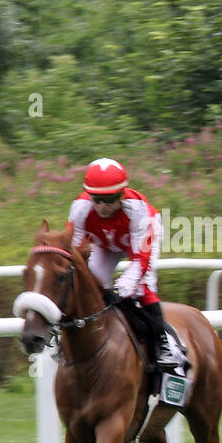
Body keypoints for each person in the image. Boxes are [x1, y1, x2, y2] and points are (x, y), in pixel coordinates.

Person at [66, 157, 175, 369]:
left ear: (122, 194)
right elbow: (76, 253)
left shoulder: (138, 210)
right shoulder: (80, 208)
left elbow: (140, 261)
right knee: (90, 283)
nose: (102, 206)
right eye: (96, 199)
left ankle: (163, 345)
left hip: (137, 243)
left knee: (142, 288)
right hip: (103, 244)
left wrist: (120, 289)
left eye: (110, 199)